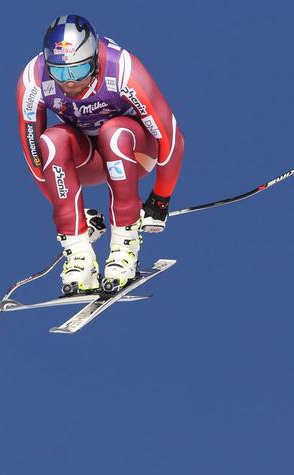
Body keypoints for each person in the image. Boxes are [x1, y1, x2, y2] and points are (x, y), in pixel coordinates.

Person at [16, 15, 185, 295]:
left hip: (134, 150)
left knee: (113, 131)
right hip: (88, 159)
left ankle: (124, 245)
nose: (70, 82)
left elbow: (171, 136)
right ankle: (79, 256)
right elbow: (34, 158)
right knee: (52, 140)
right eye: (60, 73)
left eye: (79, 70)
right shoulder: (33, 80)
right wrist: (77, 216)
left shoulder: (122, 69)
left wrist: (160, 198)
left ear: (94, 59)